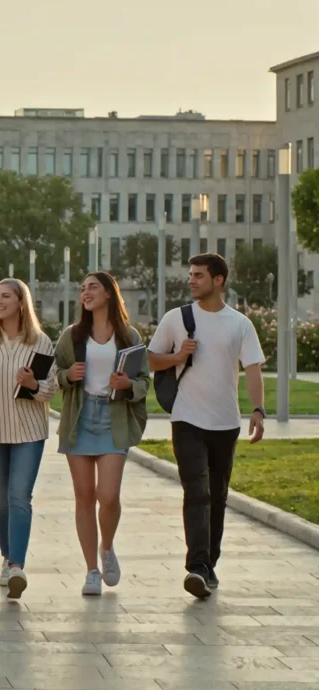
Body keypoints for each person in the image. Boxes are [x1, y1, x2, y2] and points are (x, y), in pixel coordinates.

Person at [148, 254, 265, 599]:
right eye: (191, 275)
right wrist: (177, 356)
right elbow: (151, 359)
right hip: (187, 419)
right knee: (196, 491)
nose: (191, 280)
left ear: (218, 280)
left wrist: (258, 409)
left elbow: (253, 369)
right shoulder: (176, 319)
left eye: (199, 275)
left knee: (217, 495)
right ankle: (197, 566)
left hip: (226, 422)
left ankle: (209, 564)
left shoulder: (240, 324)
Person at [53, 272, 149, 596]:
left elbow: (144, 382)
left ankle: (106, 548)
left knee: (108, 496)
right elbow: (55, 377)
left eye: (93, 286)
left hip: (113, 419)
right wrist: (69, 374)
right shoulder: (73, 336)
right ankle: (91, 571)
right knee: (84, 496)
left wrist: (127, 386)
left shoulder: (128, 336)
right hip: (79, 418)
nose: (86, 292)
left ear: (109, 294)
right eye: (82, 288)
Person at [0, 278, 57, 600]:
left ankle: (17, 565)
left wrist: (32, 384)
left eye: (5, 296)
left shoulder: (40, 343)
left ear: (21, 302)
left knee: (20, 497)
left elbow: (50, 391)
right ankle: (7, 556)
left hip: (30, 432)